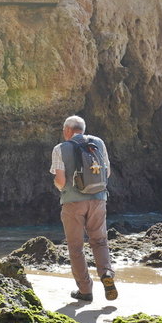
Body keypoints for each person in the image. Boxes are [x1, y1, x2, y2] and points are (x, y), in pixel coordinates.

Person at [51, 115, 118, 303]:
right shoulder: (98, 143)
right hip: (98, 200)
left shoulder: (60, 149)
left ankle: (85, 290)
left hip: (73, 203)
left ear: (67, 131)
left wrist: (60, 187)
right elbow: (107, 172)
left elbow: (61, 180)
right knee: (100, 241)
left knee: (75, 247)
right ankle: (106, 274)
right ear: (83, 128)